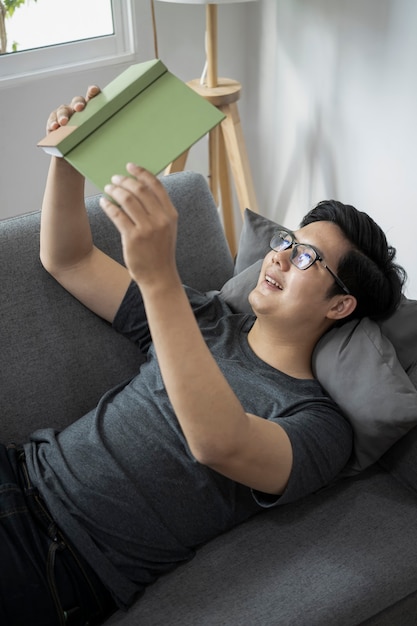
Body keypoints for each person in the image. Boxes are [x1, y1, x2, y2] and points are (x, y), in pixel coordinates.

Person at [0, 86, 406, 626]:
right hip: (19, 467)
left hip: (60, 560)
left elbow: (220, 444)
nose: (280, 256)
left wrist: (160, 278)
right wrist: (67, 156)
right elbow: (68, 259)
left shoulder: (321, 426)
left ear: (341, 305)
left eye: (306, 256)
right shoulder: (208, 319)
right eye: (287, 240)